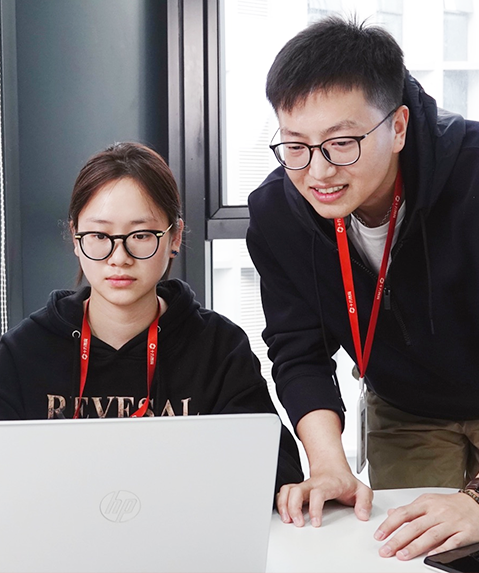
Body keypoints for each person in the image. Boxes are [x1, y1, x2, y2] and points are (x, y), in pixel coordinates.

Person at [246, 14, 479, 560]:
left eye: (341, 142)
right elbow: (298, 350)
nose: (318, 172)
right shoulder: (278, 214)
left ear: (397, 127)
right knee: (410, 551)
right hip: (407, 407)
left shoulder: (472, 174)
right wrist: (328, 464)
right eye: (296, 146)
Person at [0, 141, 303, 495]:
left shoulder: (219, 348)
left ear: (175, 237)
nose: (119, 257)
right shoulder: (21, 353)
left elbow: (275, 470)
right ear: (75, 238)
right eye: (99, 235)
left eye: (141, 235)